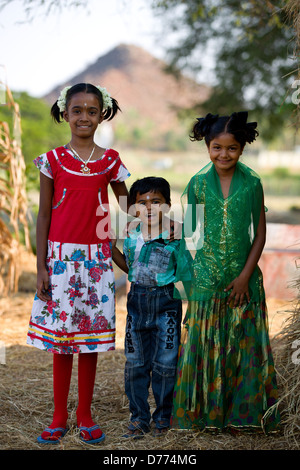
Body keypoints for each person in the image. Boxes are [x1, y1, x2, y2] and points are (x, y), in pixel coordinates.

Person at [27, 83, 130, 444]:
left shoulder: (111, 161)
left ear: (102, 114)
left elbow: (129, 207)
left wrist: (143, 226)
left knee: (88, 342)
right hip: (59, 264)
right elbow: (43, 216)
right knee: (62, 342)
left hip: (96, 263)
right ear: (65, 113)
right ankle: (58, 417)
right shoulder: (51, 160)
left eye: (91, 110)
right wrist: (41, 266)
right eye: (77, 110)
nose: (84, 116)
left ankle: (85, 414)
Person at [171, 112, 280, 433]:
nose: (223, 154)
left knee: (243, 346)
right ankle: (206, 415)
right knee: (205, 346)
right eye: (217, 147)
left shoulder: (253, 184)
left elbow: (259, 235)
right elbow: (190, 232)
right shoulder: (198, 184)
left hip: (242, 279)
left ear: (242, 148)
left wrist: (246, 275)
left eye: (231, 148)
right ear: (207, 147)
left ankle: (241, 416)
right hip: (207, 279)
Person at [111, 177, 183, 438]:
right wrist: (111, 251)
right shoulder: (130, 234)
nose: (149, 208)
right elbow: (131, 268)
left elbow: (185, 267)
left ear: (168, 205)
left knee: (165, 363)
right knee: (135, 364)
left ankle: (163, 417)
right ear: (133, 208)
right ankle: (139, 418)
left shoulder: (175, 234)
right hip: (137, 304)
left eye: (156, 202)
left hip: (167, 304)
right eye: (141, 203)